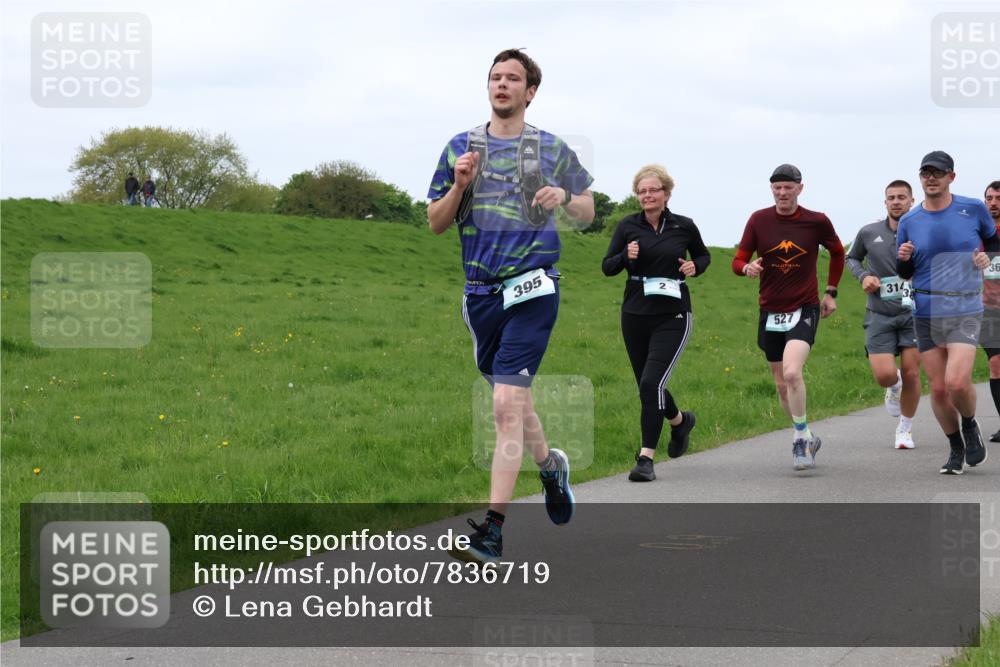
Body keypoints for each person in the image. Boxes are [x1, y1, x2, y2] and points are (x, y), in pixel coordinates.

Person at [426, 49, 594, 564]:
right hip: (480, 294)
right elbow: (436, 222)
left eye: (512, 78)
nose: (502, 85)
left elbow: (588, 211)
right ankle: (550, 468)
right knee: (515, 402)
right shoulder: (460, 147)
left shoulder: (551, 148)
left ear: (530, 91)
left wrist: (564, 197)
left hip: (533, 288)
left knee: (503, 406)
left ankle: (492, 531)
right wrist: (459, 186)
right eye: (495, 77)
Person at [732, 164, 845, 471]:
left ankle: (798, 440)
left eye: (788, 188)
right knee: (782, 385)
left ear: (800, 189)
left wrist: (830, 291)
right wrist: (746, 268)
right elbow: (738, 259)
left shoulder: (816, 221)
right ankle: (806, 434)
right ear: (772, 189)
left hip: (804, 307)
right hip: (770, 310)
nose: (782, 193)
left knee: (793, 373)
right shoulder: (759, 220)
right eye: (777, 188)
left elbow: (838, 252)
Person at [602, 164, 710, 482]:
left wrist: (695, 266)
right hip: (635, 313)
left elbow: (703, 256)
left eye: (653, 190)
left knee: (652, 385)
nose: (647, 195)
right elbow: (607, 266)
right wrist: (626, 256)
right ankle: (680, 422)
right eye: (642, 191)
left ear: (666, 193)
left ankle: (645, 459)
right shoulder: (628, 226)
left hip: (673, 314)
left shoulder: (684, 226)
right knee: (649, 386)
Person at [896, 152, 995, 474]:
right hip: (926, 311)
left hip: (964, 307)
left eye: (937, 173)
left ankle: (969, 423)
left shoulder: (973, 208)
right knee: (938, 389)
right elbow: (904, 271)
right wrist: (904, 259)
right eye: (925, 173)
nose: (931, 178)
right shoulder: (910, 220)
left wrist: (986, 259)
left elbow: (994, 243)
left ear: (951, 177)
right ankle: (955, 448)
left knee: (956, 382)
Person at [846, 180, 922, 449]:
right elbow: (851, 258)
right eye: (892, 197)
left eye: (902, 197)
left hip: (914, 313)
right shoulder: (869, 232)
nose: (896, 202)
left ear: (912, 201)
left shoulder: (924, 230)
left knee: (912, 373)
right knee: (885, 375)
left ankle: (905, 429)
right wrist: (864, 276)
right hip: (880, 312)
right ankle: (894, 385)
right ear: (885, 202)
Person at [979, 181, 1000, 441]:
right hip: (990, 309)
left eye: (998, 198)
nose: (993, 203)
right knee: (996, 363)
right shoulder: (979, 235)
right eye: (990, 198)